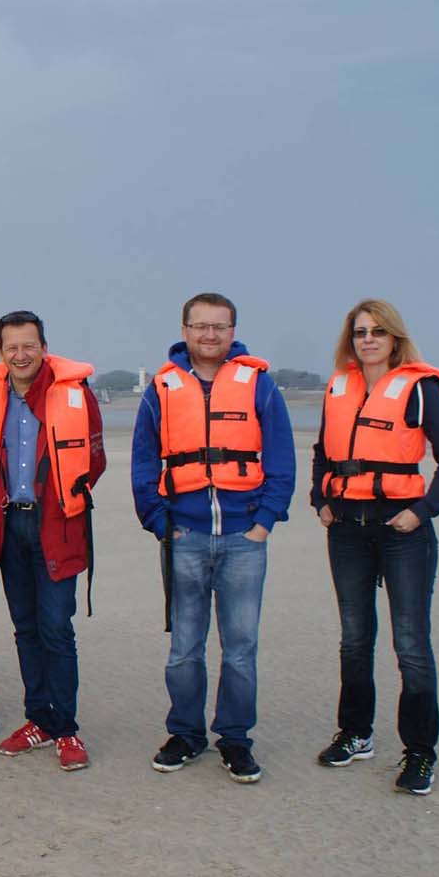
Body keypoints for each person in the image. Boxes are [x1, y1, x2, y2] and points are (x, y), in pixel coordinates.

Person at [131, 292, 294, 784]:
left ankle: (236, 739)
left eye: (219, 327)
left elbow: (283, 460)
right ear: (184, 330)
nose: (209, 335)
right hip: (184, 535)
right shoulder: (160, 389)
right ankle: (186, 732)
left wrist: (264, 521)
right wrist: (160, 522)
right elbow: (143, 464)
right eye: (200, 326)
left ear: (232, 331)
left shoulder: (259, 386)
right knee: (184, 646)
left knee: (241, 647)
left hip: (245, 537)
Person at [310, 299, 439, 795]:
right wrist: (320, 500)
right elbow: (321, 451)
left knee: (411, 644)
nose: (368, 339)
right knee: (354, 638)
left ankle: (419, 753)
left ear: (394, 337)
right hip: (347, 528)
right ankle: (356, 733)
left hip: (402, 530)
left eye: (377, 331)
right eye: (359, 332)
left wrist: (423, 510)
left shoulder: (419, 388)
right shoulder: (339, 386)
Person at [0, 312, 105, 770]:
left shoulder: (72, 394)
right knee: (26, 628)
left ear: (44, 346)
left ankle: (66, 728)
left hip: (55, 526)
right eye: (11, 347)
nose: (20, 355)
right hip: (9, 527)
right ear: (1, 351)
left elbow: (95, 458)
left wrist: (64, 494)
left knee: (56, 629)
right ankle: (39, 721)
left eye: (29, 346)